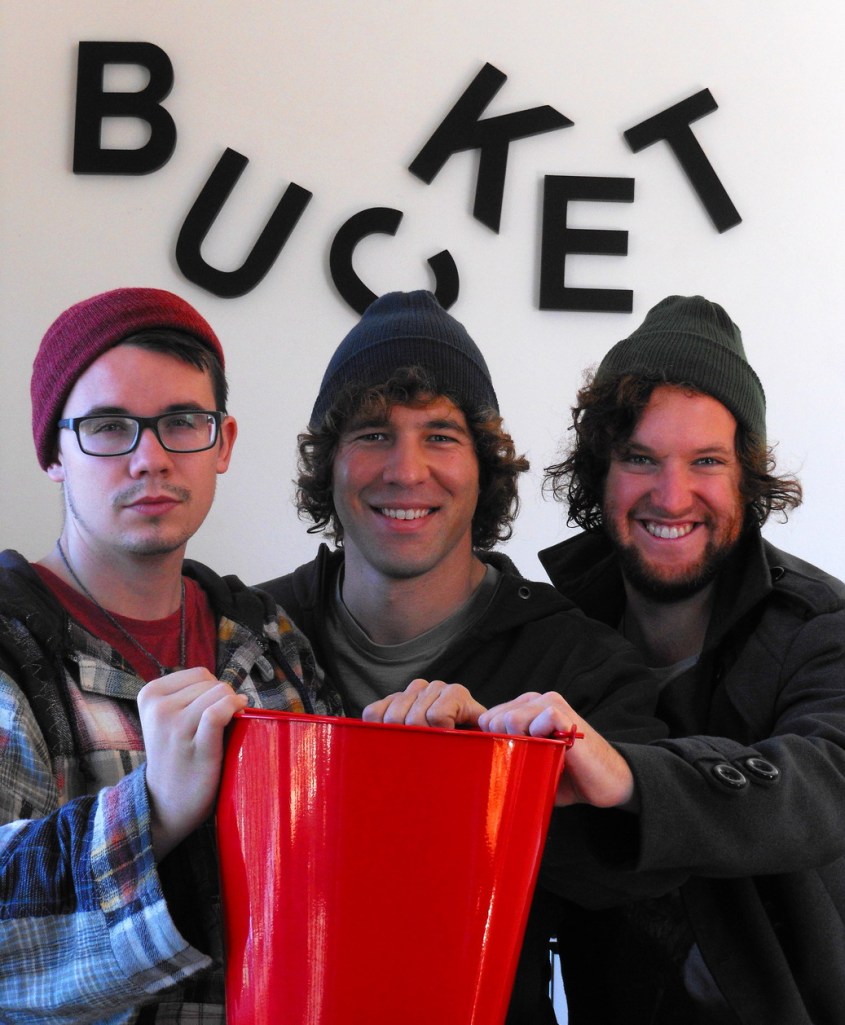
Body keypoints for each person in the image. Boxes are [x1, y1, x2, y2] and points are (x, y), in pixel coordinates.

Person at [258, 289, 666, 1023]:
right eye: (373, 433)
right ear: (330, 461)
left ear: (485, 468)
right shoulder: (245, 632)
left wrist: (484, 779)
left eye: (440, 435)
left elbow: (645, 872)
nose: (406, 470)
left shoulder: (576, 663)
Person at [0, 287, 341, 1024]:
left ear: (222, 443)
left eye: (182, 422)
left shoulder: (267, 641)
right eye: (109, 426)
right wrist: (150, 813)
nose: (149, 458)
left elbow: (332, 892)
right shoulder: (12, 645)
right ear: (53, 452)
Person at [532, 294, 845, 1024]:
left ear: (745, 475)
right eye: (640, 458)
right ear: (598, 472)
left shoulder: (819, 625)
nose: (671, 496)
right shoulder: (552, 629)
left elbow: (825, 783)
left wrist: (630, 777)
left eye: (705, 460)